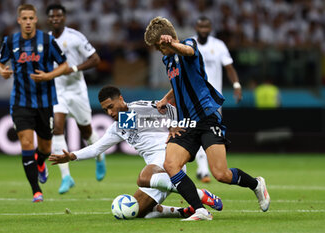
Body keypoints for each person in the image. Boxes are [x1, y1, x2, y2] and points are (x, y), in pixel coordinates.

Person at [144, 16, 270, 221]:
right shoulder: (167, 60)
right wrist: (165, 99)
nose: (160, 51)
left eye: (160, 46)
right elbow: (179, 85)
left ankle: (256, 184)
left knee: (220, 174)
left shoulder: (187, 44)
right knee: (171, 164)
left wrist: (173, 44)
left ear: (168, 39)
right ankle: (200, 210)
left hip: (206, 117)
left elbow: (189, 52)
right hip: (187, 122)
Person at [49, 86, 223, 218]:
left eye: (111, 106)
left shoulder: (138, 109)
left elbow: (167, 108)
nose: (110, 112)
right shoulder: (118, 127)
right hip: (158, 176)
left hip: (168, 159)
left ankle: (200, 195)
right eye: (105, 110)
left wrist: (172, 126)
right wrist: (72, 156)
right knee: (136, 211)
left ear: (121, 99)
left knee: (143, 177)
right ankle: (182, 211)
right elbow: (96, 148)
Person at [0, 4, 68, 202]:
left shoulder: (47, 40)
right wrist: (1, 70)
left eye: (31, 18)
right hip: (21, 102)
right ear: (19, 20)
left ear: (36, 20)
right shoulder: (10, 41)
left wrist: (48, 76)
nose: (27, 22)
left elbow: (64, 64)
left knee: (45, 148)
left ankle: (41, 162)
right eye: (24, 18)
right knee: (26, 143)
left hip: (45, 102)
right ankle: (36, 191)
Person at [46, 4, 106, 195]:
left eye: (59, 16)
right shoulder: (45, 40)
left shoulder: (75, 37)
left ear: (64, 18)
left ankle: (100, 157)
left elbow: (95, 59)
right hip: (58, 90)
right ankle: (66, 177)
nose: (56, 19)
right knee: (57, 128)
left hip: (77, 90)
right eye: (52, 16)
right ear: (48, 19)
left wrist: (74, 69)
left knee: (86, 131)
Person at [193, 16, 243, 183]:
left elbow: (229, 67)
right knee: (197, 129)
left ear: (210, 28)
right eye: (201, 27)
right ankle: (203, 169)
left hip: (214, 98)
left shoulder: (218, 45)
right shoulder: (189, 44)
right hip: (194, 97)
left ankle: (205, 168)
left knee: (211, 132)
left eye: (206, 27)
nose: (204, 30)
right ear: (196, 28)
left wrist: (236, 84)